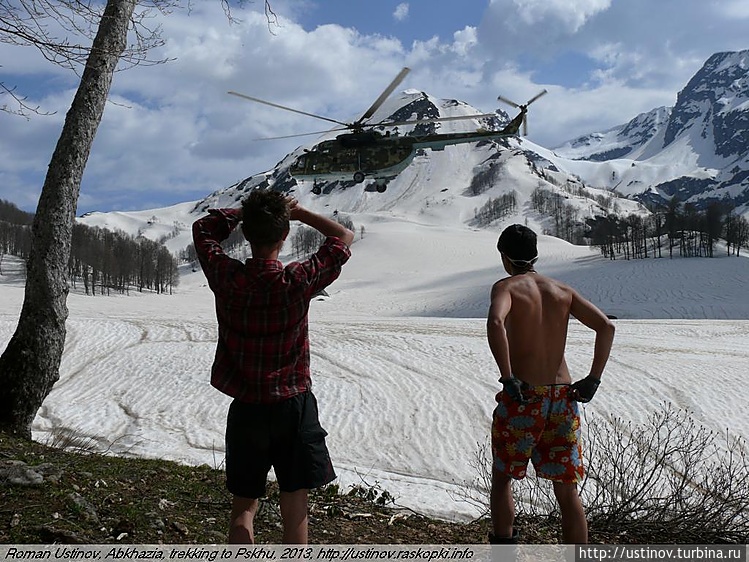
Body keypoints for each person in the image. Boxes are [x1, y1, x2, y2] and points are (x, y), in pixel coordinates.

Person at [192, 189, 354, 544]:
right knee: (295, 500)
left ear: (247, 234)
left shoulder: (228, 277)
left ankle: (242, 538)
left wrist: (247, 213)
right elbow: (343, 237)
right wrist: (295, 213)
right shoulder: (297, 280)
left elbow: (203, 229)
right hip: (292, 404)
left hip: (247, 405)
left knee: (244, 502)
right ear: (284, 235)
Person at [486, 224, 615, 544]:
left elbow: (496, 321)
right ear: (535, 255)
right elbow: (606, 327)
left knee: (504, 479)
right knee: (567, 488)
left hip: (524, 395)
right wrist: (593, 379)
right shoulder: (562, 290)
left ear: (504, 256)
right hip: (563, 396)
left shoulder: (506, 287)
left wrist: (507, 375)